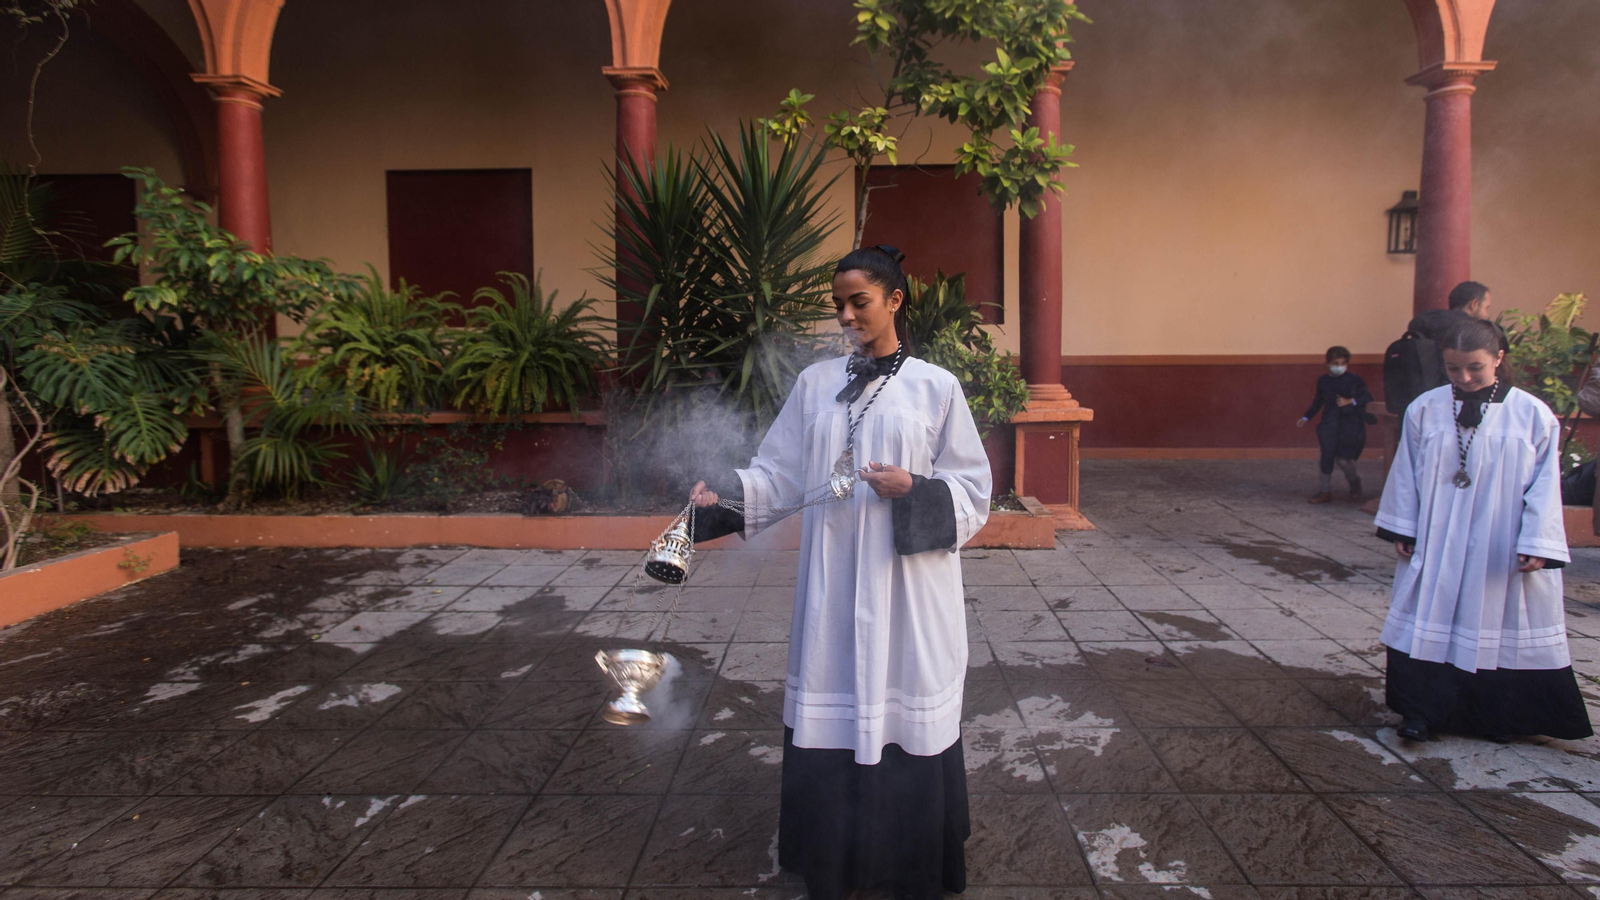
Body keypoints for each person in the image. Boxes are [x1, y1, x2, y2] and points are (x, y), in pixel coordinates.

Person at [685, 244, 992, 900]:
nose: (847, 315)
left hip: (908, 589)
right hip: (833, 583)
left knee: (902, 697)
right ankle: (832, 854)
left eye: (860, 302)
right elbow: (780, 472)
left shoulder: (936, 387)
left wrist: (915, 487)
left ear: (894, 301)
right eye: (839, 305)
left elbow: (972, 492)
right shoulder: (815, 384)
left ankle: (908, 862)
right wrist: (725, 500)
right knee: (833, 690)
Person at [1375, 316, 1592, 744]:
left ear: (1499, 358)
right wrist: (1405, 526)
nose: (1465, 377)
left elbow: (1545, 487)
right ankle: (1421, 712)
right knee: (1430, 618)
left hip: (1500, 542)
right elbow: (1406, 473)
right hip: (1440, 539)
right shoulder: (1426, 408)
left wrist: (1536, 543)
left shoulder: (1532, 415)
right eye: (1454, 368)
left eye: (1475, 366)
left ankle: (1497, 719)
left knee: (1497, 620)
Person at [1297, 345, 1373, 503]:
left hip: (1350, 425)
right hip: (1329, 424)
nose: (1339, 367)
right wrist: (1306, 417)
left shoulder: (1354, 380)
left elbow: (1367, 397)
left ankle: (1354, 483)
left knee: (1344, 460)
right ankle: (1325, 491)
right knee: (1326, 457)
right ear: (1328, 364)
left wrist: (1350, 401)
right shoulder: (1323, 381)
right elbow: (1318, 401)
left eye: (1342, 363)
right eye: (1335, 363)